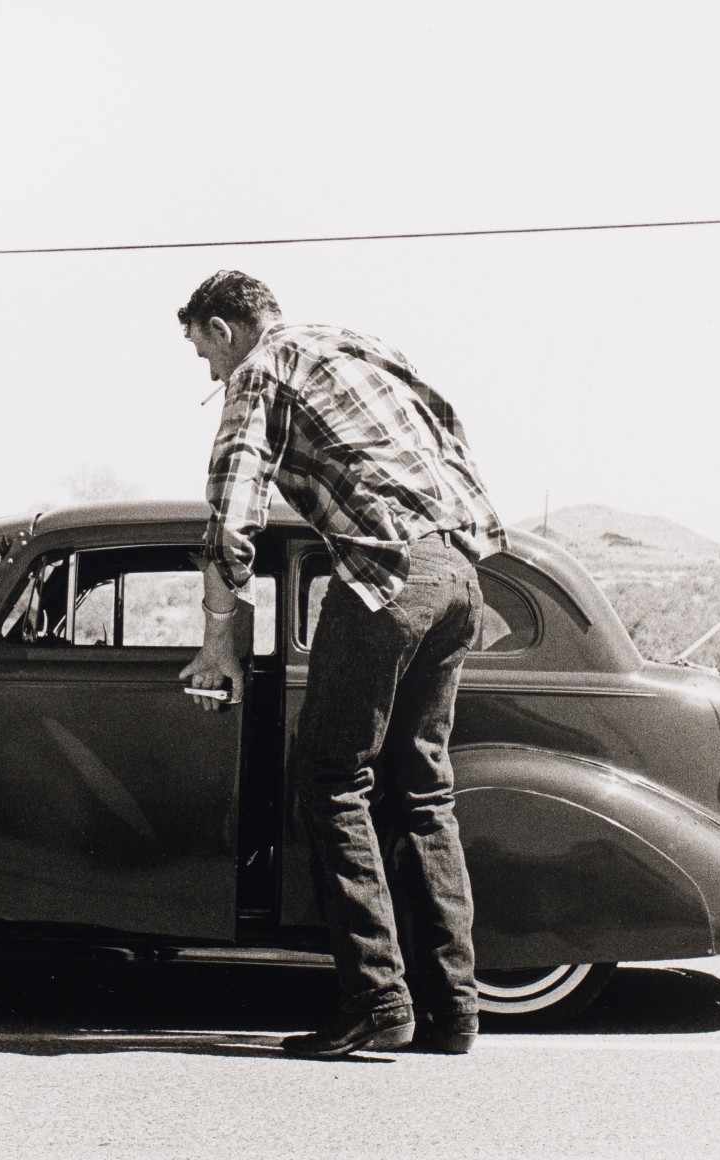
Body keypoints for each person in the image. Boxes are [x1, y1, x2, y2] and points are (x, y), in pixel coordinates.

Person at [176, 270, 507, 1058]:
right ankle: (453, 1011)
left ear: (223, 329)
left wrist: (217, 638)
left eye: (202, 354)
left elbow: (231, 512)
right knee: (423, 793)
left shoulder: (261, 370)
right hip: (459, 570)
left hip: (385, 578)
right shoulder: (357, 343)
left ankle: (375, 1000)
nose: (210, 372)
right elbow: (447, 421)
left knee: (332, 781)